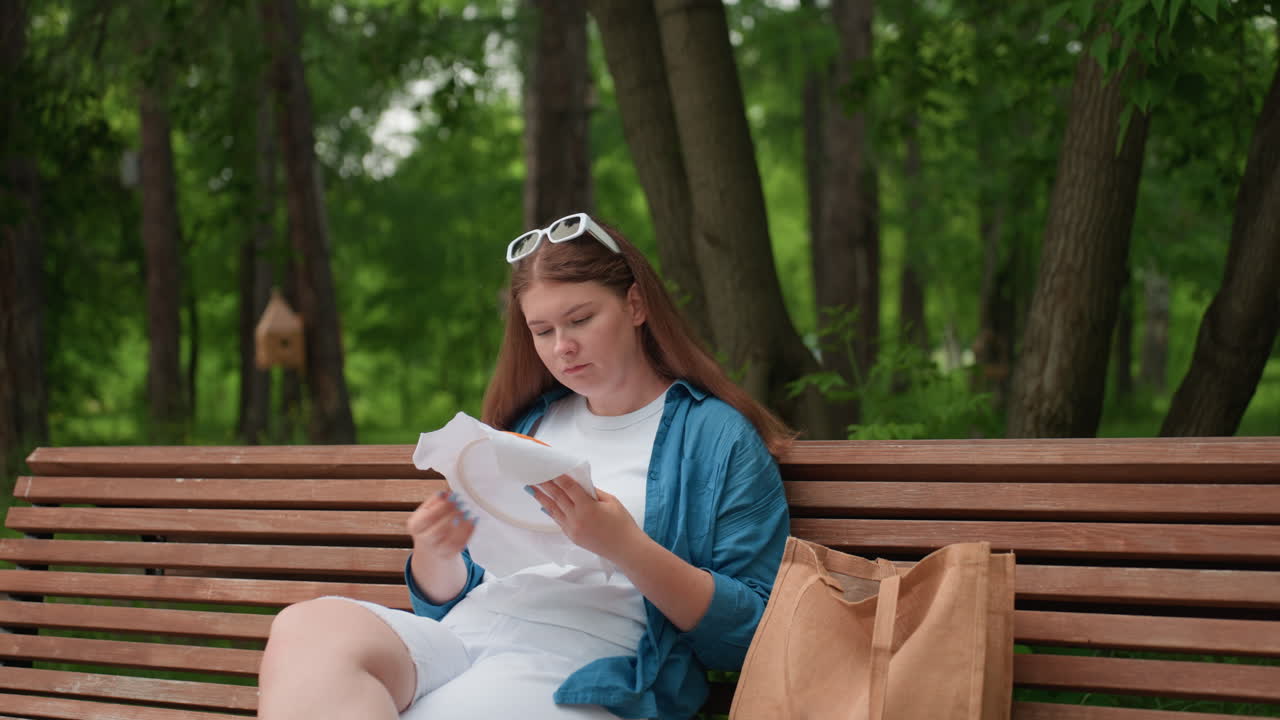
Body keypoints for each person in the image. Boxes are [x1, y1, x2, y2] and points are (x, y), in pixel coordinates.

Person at [257, 212, 794, 720]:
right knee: (307, 629)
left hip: (585, 657)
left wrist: (624, 546)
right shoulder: (530, 425)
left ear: (635, 305)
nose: (562, 348)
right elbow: (458, 593)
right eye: (542, 331)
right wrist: (435, 554)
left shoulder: (716, 438)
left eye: (580, 319)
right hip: (466, 635)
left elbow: (748, 634)